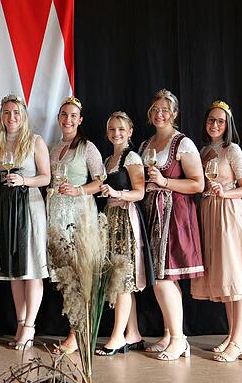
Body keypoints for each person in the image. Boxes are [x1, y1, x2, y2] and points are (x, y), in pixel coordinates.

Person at [139, 89, 204, 361]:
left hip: (174, 216)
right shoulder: (146, 144)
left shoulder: (182, 143)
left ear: (174, 114)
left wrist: (165, 182)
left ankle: (179, 339)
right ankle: (169, 333)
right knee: (160, 279)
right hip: (151, 213)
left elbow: (197, 184)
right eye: (155, 109)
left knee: (164, 278)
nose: (159, 114)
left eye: (165, 109)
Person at [191, 100, 242, 362]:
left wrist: (225, 192)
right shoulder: (205, 150)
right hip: (210, 213)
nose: (215, 125)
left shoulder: (233, 151)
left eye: (220, 121)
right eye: (211, 120)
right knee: (226, 278)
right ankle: (232, 337)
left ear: (227, 125)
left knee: (236, 277)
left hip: (229, 215)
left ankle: (239, 340)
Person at [0, 94, 50, 351]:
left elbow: (46, 177)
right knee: (14, 270)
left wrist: (24, 181)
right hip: (6, 206)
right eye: (6, 112)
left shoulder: (35, 141)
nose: (10, 117)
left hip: (30, 205)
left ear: (23, 115)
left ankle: (30, 327)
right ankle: (20, 322)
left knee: (32, 267)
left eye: (15, 112)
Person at [46, 96, 104, 354]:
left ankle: (76, 333)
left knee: (79, 272)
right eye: (64, 115)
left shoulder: (87, 147)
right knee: (64, 274)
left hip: (78, 214)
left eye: (72, 116)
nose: (67, 120)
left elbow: (100, 182)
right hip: (56, 214)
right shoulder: (53, 147)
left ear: (79, 121)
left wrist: (79, 190)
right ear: (59, 119)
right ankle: (75, 326)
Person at [95, 112, 152, 356]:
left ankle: (117, 337)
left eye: (121, 129)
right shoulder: (109, 159)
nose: (116, 133)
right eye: (112, 130)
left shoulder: (132, 157)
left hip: (126, 220)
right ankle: (134, 333)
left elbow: (139, 192)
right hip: (111, 219)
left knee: (123, 280)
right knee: (119, 278)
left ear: (129, 132)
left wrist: (117, 194)